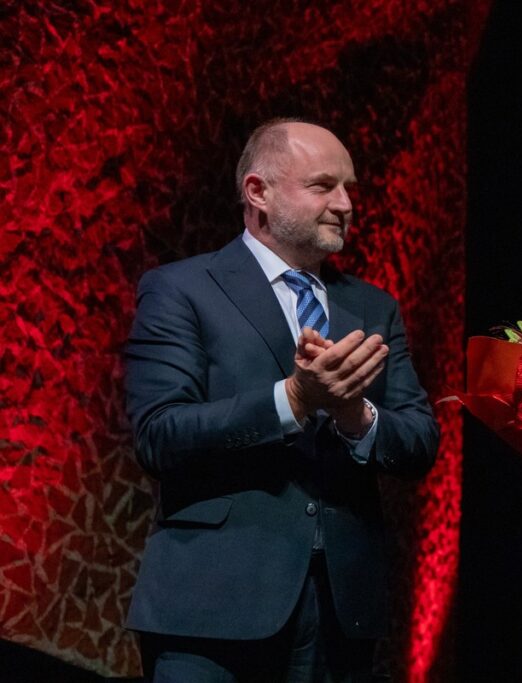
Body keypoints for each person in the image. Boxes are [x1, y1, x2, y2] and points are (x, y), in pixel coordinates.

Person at [124, 119, 439, 682]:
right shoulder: (181, 289)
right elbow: (159, 434)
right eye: (323, 186)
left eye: (349, 188)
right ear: (258, 192)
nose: (345, 203)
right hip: (211, 608)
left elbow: (417, 443)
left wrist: (354, 416)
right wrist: (293, 398)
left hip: (341, 612)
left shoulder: (373, 307)